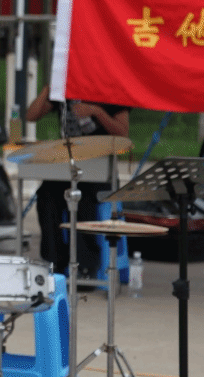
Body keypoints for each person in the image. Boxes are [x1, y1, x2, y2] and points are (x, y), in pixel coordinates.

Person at [25, 84, 129, 280]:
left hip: (100, 168)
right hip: (68, 166)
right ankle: (55, 262)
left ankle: (86, 266)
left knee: (83, 198)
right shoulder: (66, 88)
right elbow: (31, 116)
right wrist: (49, 88)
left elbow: (123, 133)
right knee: (46, 194)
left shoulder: (111, 87)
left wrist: (96, 112)